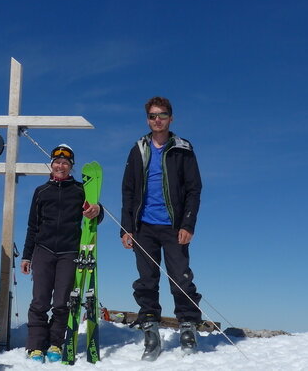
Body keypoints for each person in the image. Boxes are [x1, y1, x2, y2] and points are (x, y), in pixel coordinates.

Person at [120, 96, 203, 361]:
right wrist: (126, 228)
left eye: (163, 115)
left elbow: (193, 189)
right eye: (153, 116)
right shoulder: (139, 148)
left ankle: (188, 326)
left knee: (180, 277)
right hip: (143, 226)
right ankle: (150, 328)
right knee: (147, 280)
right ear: (148, 119)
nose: (158, 120)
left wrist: (188, 223)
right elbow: (129, 190)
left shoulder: (183, 148)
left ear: (171, 118)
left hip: (173, 226)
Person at [20, 144, 102, 363]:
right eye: (57, 162)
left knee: (62, 302)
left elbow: (94, 212)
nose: (61, 165)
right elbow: (32, 226)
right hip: (43, 250)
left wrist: (98, 210)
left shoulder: (79, 190)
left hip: (69, 251)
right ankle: (36, 346)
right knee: (40, 301)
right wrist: (27, 256)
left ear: (71, 167)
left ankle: (56, 342)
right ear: (51, 165)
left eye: (65, 163)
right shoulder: (41, 192)